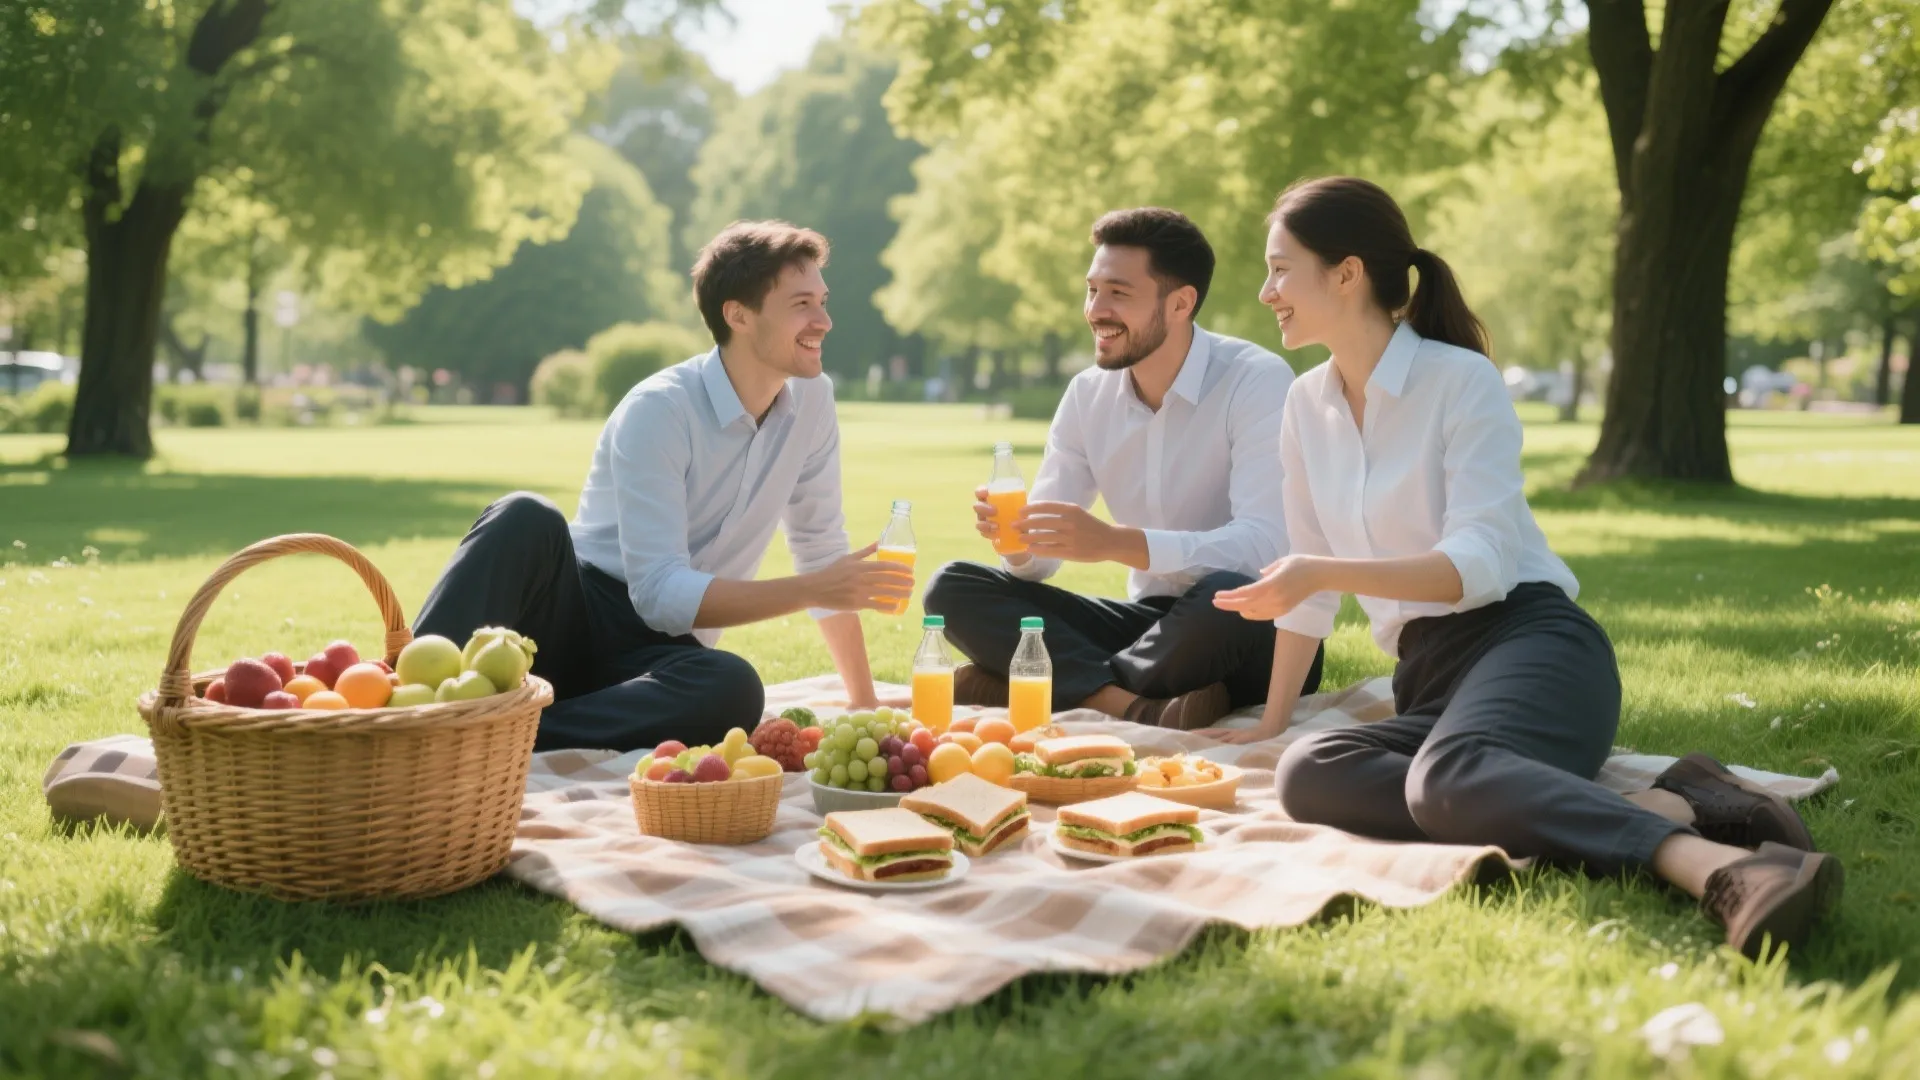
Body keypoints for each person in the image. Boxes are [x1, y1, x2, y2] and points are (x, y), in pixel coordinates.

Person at [1202, 176, 1840, 957]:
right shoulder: (1306, 405)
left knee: (1448, 782)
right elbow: (1303, 585)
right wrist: (1271, 724)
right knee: (1309, 774)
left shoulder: (1460, 381)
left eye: (1278, 269)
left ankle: (1725, 870)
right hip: (1429, 677)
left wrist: (1325, 572)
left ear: (1346, 272)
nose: (1266, 291)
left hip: (1532, 647)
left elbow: (1479, 563)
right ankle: (1677, 803)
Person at [413, 221, 911, 752]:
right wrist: (812, 588)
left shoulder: (813, 401)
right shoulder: (660, 409)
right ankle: (404, 703)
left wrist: (863, 700)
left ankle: (515, 733)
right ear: (738, 315)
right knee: (524, 515)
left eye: (823, 301)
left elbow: (820, 547)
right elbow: (657, 593)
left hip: (656, 659)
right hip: (573, 613)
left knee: (732, 687)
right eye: (802, 304)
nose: (824, 321)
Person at [924, 208, 1324, 731]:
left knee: (1225, 595)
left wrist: (1116, 543)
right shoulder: (1087, 395)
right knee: (953, 588)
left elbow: (1264, 548)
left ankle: (1031, 683)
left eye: (1118, 293)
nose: (1096, 310)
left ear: (1180, 303)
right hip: (1146, 631)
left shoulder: (1255, 381)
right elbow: (1040, 557)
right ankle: (1127, 704)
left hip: (1246, 625)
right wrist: (1018, 542)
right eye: (1092, 290)